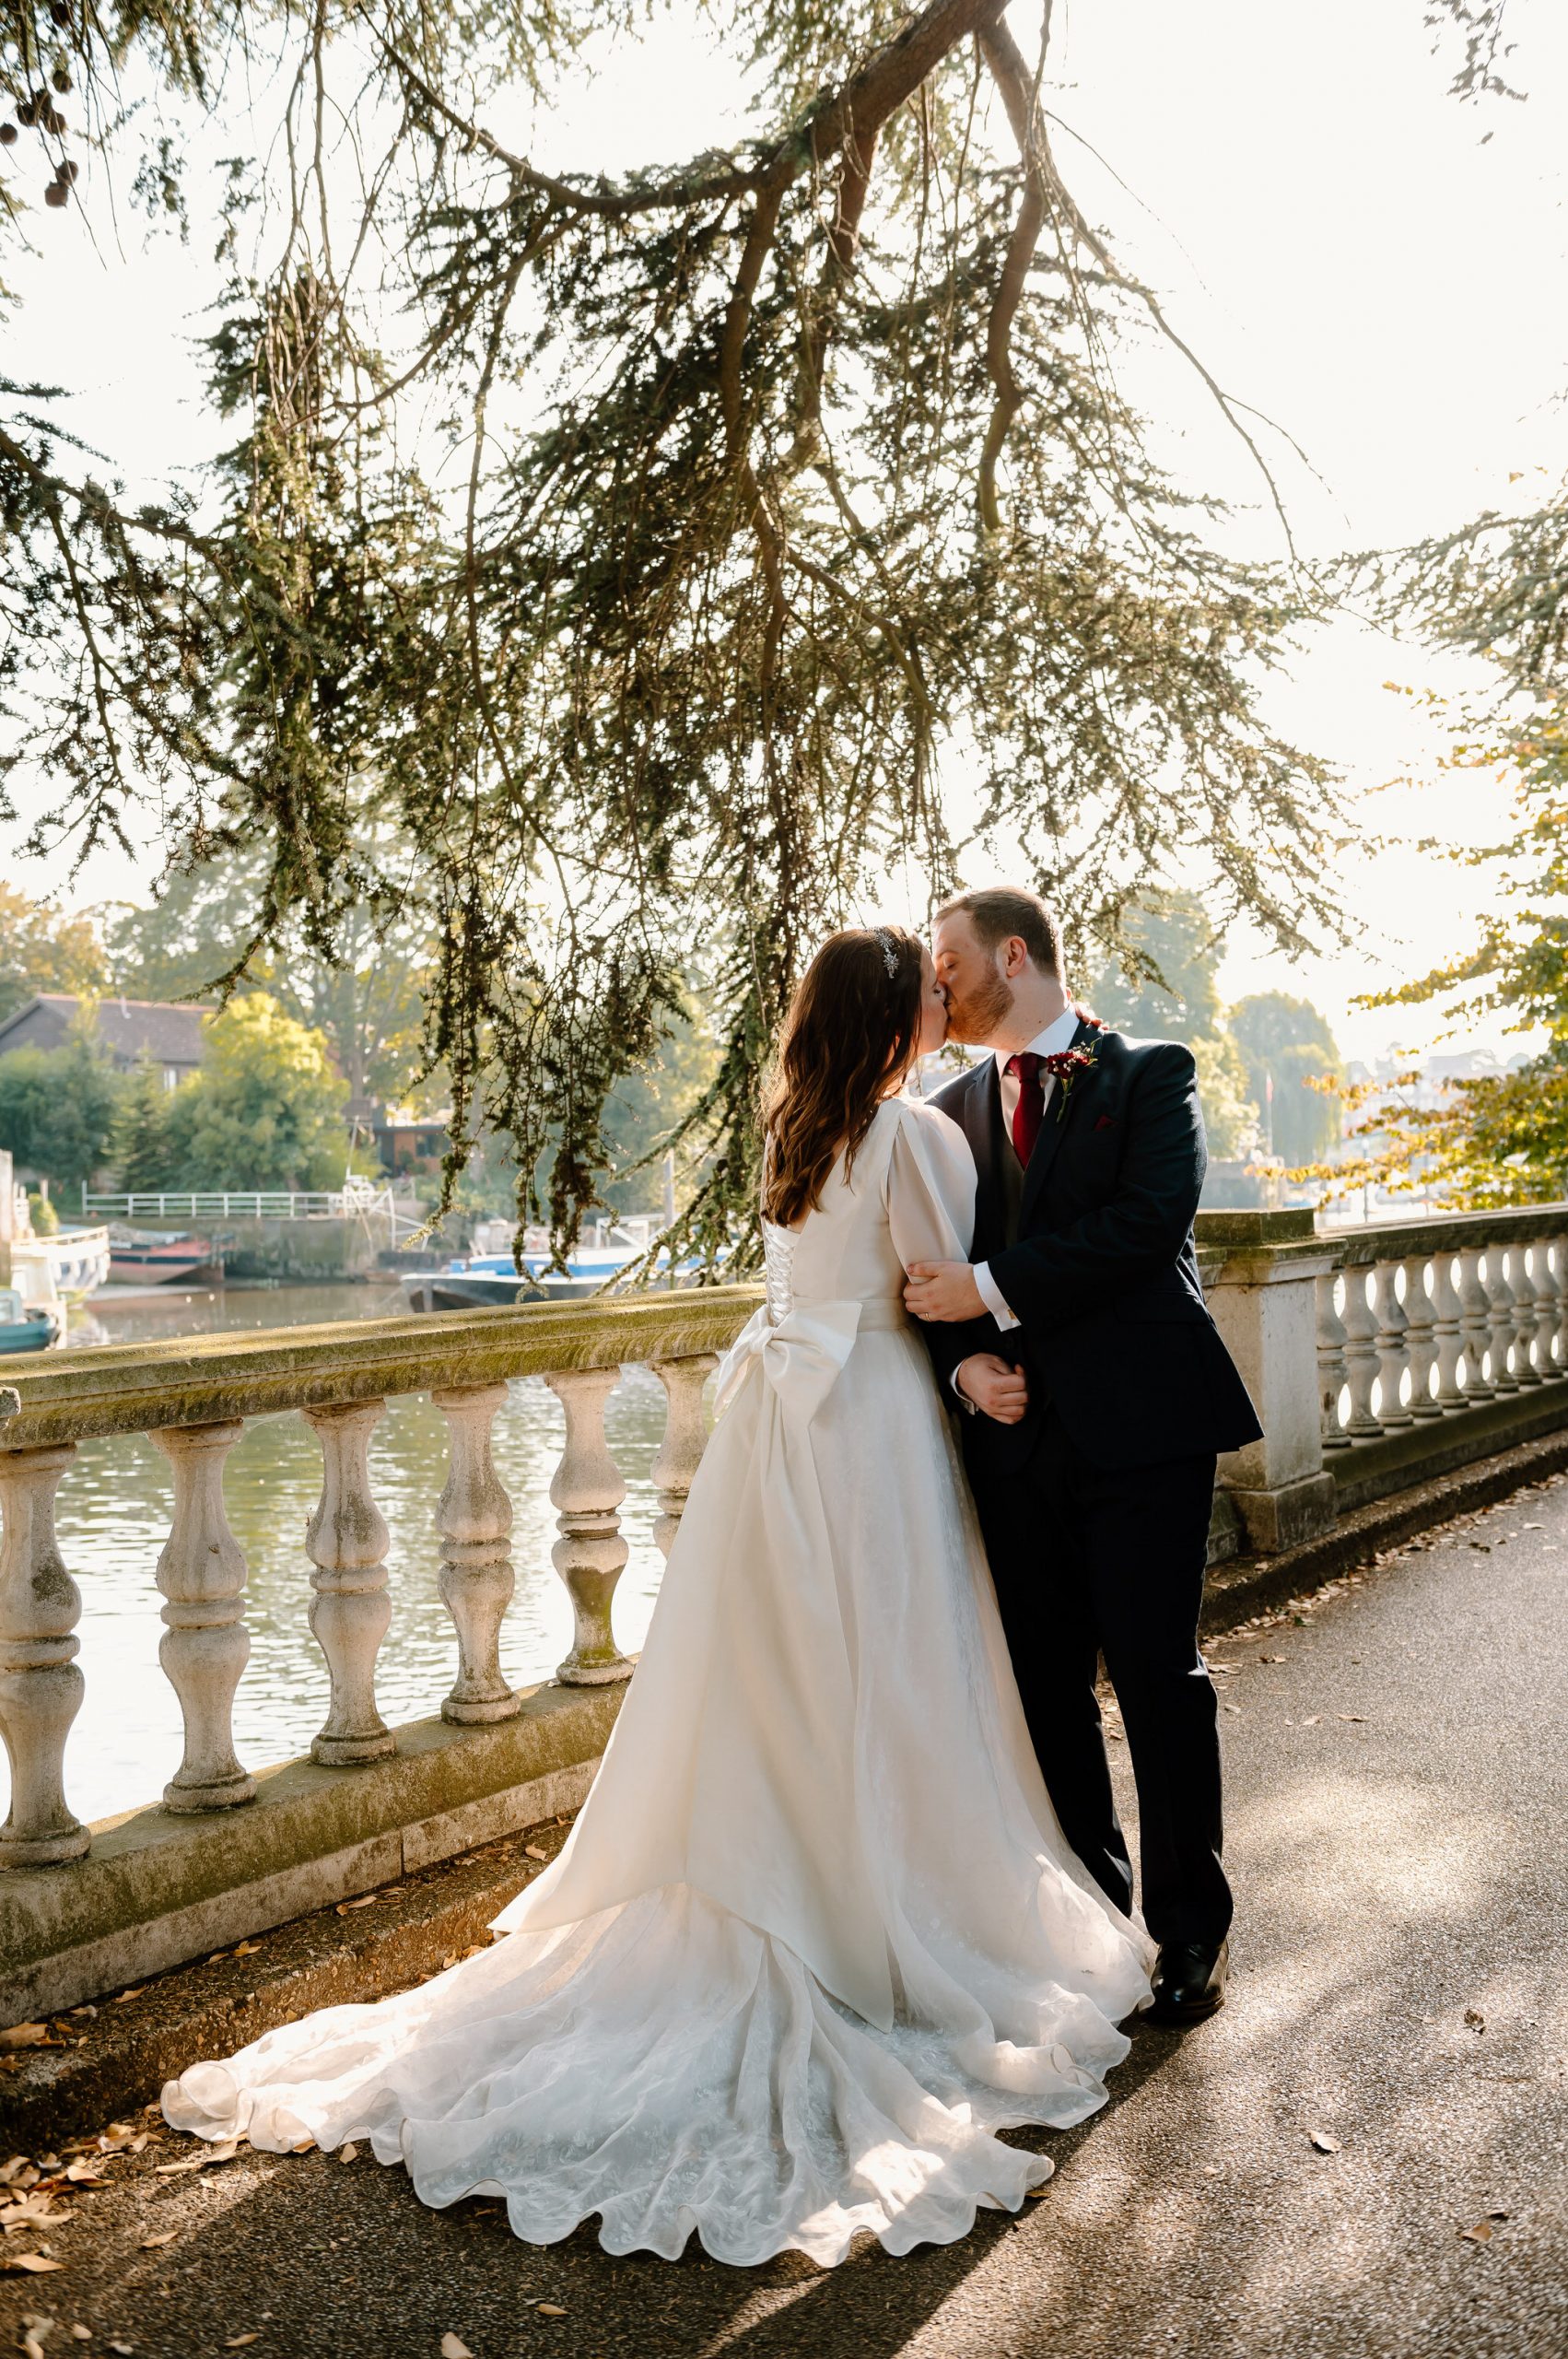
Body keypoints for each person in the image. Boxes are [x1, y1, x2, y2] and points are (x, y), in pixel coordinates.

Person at [164, 925, 1153, 2268]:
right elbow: (933, 1294)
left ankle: (784, 1879)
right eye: (925, 990)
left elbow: (828, 1282)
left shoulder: (795, 1127)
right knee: (888, 1674)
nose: (945, 999)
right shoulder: (921, 1138)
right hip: (862, 1430)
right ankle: (868, 1912)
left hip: (773, 1436)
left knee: (769, 1680)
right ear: (887, 1016)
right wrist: (977, 1370)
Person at [902, 886, 1263, 2027]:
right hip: (1014, 1441)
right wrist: (962, 1359)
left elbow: (1147, 1225)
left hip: (1145, 1427)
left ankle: (1188, 1934)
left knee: (1160, 1679)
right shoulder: (945, 1108)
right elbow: (919, 1265)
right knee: (1048, 1691)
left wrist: (993, 1289)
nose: (939, 986)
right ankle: (1095, 1915)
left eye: (950, 963)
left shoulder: (1152, 1072)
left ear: (1016, 955)